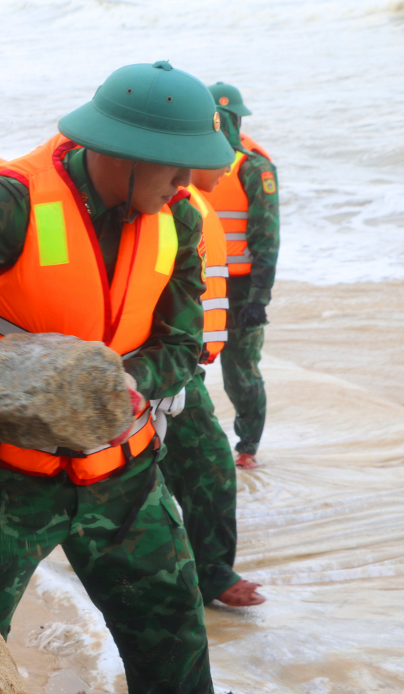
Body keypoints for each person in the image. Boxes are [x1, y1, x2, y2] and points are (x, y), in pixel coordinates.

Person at [0, 61, 235, 693]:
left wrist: (133, 381)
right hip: (7, 482)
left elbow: (182, 343)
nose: (186, 183)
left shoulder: (180, 217)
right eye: (176, 169)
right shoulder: (11, 201)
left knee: (178, 666)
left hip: (125, 480)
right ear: (127, 152)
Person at [158, 175, 266, 608]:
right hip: (164, 362)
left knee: (164, 467)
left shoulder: (192, 201)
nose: (223, 169)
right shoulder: (169, 202)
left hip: (182, 360)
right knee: (211, 466)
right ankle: (211, 574)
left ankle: (192, 570)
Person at [198, 82, 280, 469]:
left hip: (241, 288)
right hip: (196, 281)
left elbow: (267, 238)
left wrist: (258, 300)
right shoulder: (187, 160)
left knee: (240, 372)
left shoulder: (254, 167)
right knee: (187, 362)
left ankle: (247, 447)